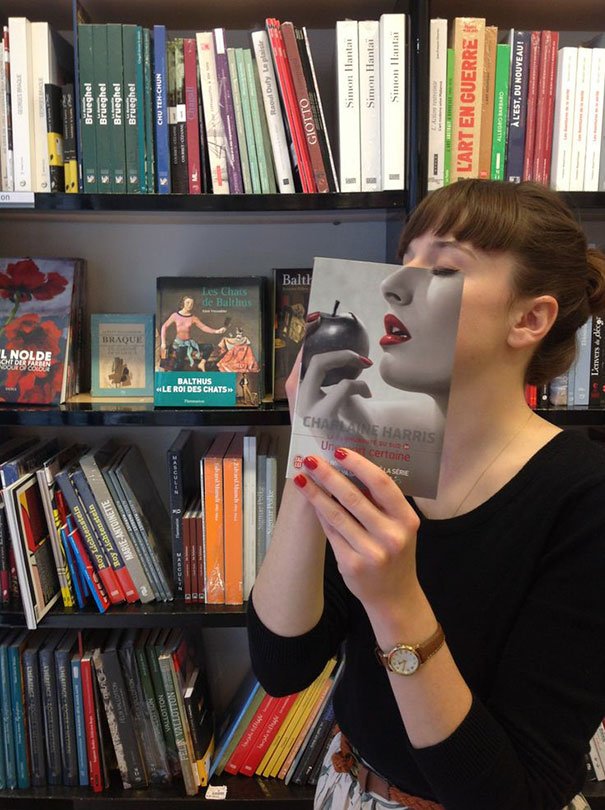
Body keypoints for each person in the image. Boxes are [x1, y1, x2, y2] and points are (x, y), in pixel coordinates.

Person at [247, 179, 605, 810]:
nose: (397, 283)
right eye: (404, 258)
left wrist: (395, 601)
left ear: (529, 319)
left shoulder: (585, 499)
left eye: (443, 266)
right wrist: (313, 444)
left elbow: (515, 795)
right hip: (347, 787)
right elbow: (283, 667)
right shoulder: (376, 449)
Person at [159, 295, 226, 370]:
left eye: (191, 304)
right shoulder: (175, 315)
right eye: (187, 303)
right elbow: (164, 327)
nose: (189, 305)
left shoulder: (193, 318)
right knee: (180, 360)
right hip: (179, 344)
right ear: (183, 303)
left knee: (209, 347)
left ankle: (201, 364)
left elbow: (203, 327)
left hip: (190, 344)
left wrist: (216, 331)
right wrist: (163, 343)